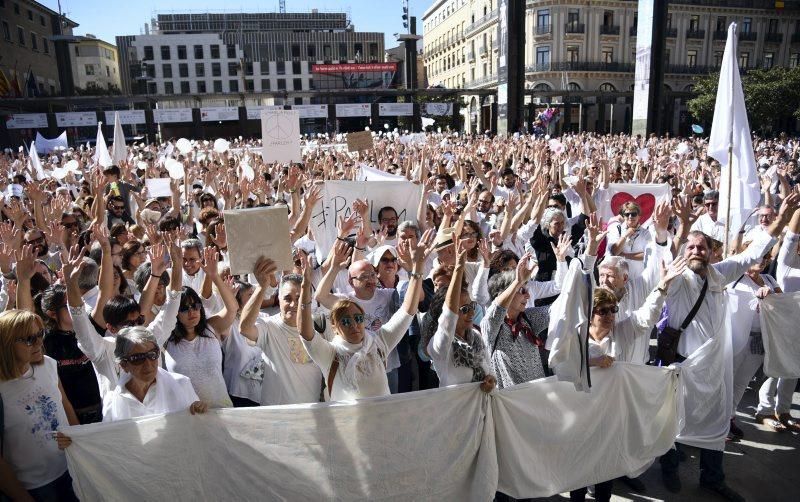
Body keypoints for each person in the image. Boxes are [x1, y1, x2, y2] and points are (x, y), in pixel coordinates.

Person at [658, 192, 799, 502]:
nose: (696, 251)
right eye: (691, 247)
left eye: (702, 247)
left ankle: (713, 478)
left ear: (712, 252)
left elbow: (753, 253)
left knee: (716, 422)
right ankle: (668, 468)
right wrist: (682, 226)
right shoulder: (679, 280)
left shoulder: (720, 275)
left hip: (714, 370)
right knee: (673, 422)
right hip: (682, 367)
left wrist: (782, 217)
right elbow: (669, 253)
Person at [298, 239, 426, 401]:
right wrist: (305, 287)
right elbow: (305, 332)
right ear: (335, 326)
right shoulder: (331, 354)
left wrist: (417, 268)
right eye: (345, 321)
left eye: (359, 318)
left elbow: (408, 311)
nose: (354, 325)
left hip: (383, 423)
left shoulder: (379, 343)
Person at [0, 310, 78, 501]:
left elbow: (65, 405)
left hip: (71, 468)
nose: (38, 343)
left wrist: (80, 444)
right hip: (35, 487)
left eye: (39, 334)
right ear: (6, 344)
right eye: (28, 339)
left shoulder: (49, 365)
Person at [239, 257, 325, 405]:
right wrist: (262, 287)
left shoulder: (321, 325)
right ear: (278, 299)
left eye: (299, 298)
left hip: (312, 415)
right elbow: (245, 328)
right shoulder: (268, 326)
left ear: (308, 298)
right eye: (287, 298)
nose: (293, 304)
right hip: (277, 418)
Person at [164, 247, 238, 408]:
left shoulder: (211, 328)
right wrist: (176, 265)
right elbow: (172, 298)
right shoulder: (165, 338)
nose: (192, 312)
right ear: (174, 313)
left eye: (196, 306)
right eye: (184, 308)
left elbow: (232, 308)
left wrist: (213, 276)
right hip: (186, 416)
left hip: (222, 410)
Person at [422, 240, 496, 391]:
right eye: (464, 309)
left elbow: (489, 369)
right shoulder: (441, 344)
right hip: (456, 411)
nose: (472, 313)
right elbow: (448, 319)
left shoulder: (476, 336)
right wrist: (458, 268)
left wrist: (490, 380)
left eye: (471, 306)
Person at [102, 327, 208, 421]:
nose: (148, 364)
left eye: (152, 355)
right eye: (138, 358)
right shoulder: (112, 403)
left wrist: (199, 409)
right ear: (124, 365)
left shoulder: (181, 384)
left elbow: (197, 427)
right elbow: (111, 440)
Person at [481, 253, 551, 388]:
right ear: (504, 293)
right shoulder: (491, 324)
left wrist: (589, 257)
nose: (528, 295)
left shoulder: (528, 318)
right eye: (522, 291)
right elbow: (497, 308)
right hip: (510, 405)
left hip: (539, 398)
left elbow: (560, 307)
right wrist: (517, 282)